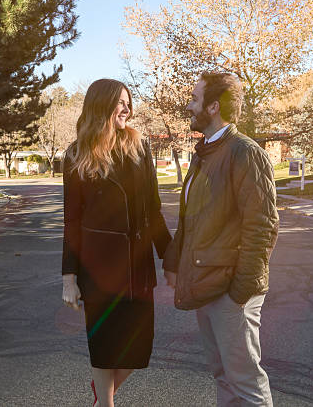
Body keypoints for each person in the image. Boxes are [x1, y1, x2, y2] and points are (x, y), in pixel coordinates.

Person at [163, 72, 279, 406]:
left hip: (232, 291)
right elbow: (190, 219)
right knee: (224, 376)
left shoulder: (245, 152)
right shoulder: (204, 153)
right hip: (207, 283)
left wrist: (241, 291)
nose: (189, 105)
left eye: (195, 99)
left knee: (246, 383)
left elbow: (262, 226)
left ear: (213, 107)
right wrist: (174, 260)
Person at [62, 79, 171, 407]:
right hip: (96, 269)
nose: (127, 109)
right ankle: (105, 404)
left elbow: (153, 208)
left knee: (139, 348)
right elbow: (72, 221)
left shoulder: (139, 146)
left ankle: (101, 399)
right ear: (101, 106)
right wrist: (69, 278)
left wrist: (171, 257)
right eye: (120, 102)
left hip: (137, 267)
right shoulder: (76, 154)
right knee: (105, 348)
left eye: (128, 102)